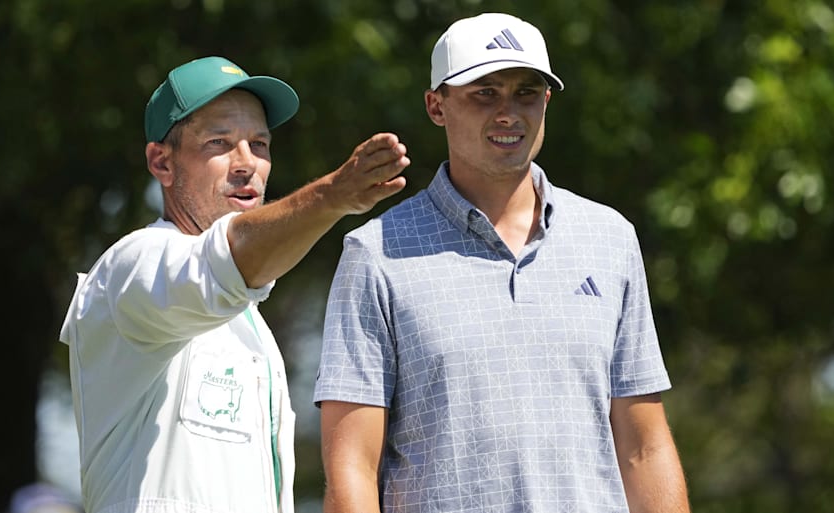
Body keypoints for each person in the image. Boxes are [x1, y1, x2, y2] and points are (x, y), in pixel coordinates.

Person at [313, 12, 691, 513]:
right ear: (436, 105)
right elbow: (352, 467)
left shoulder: (610, 239)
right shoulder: (376, 253)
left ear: (547, 101)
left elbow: (644, 449)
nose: (509, 113)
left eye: (526, 93)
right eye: (484, 93)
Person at [59, 55, 410, 513]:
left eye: (259, 144)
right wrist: (331, 196)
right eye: (219, 142)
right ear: (161, 162)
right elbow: (223, 262)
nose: (247, 164)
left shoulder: (254, 329)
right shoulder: (131, 268)